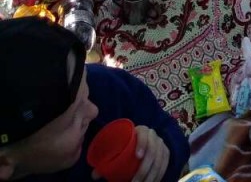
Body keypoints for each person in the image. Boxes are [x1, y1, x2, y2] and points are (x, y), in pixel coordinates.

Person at [0, 17, 189, 181]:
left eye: (86, 91)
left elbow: (164, 126)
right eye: (72, 120)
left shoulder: (103, 87)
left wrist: (163, 150)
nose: (93, 111)